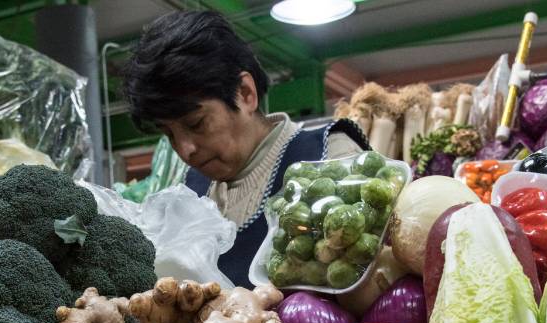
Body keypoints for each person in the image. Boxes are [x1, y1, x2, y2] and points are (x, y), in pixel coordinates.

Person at [123, 10, 367, 287]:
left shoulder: (329, 156)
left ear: (245, 93)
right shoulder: (191, 190)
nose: (185, 149)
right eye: (168, 134)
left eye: (196, 123)